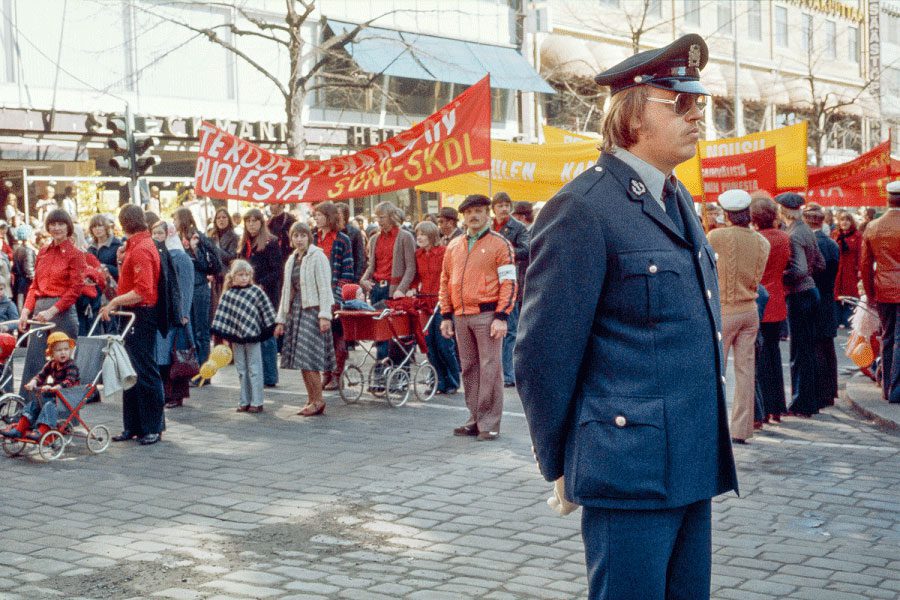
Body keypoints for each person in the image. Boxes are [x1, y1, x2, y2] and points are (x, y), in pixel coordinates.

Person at [515, 35, 738, 599]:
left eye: (698, 105)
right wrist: (561, 463)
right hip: (627, 470)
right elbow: (543, 351)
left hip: (689, 459)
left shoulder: (676, 198)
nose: (697, 117)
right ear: (634, 113)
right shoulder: (583, 208)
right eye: (680, 104)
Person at [439, 194, 516, 441]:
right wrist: (446, 315)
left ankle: (489, 423)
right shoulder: (454, 246)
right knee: (469, 368)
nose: (473, 216)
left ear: (487, 214)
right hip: (461, 316)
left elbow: (509, 282)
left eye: (479, 211)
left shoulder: (500, 244)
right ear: (463, 216)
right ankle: (474, 418)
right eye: (469, 212)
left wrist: (502, 315)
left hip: (487, 315)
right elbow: (445, 280)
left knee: (490, 368)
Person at [707, 190, 769, 444]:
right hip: (750, 310)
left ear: (727, 213)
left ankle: (712, 424)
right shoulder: (761, 242)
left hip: (724, 309)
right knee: (745, 371)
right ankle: (741, 429)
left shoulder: (716, 236)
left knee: (714, 369)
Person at [100, 204, 164, 446]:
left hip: (140, 313)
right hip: (133, 312)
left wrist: (115, 301)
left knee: (143, 369)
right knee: (130, 369)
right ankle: (135, 425)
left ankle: (151, 426)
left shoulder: (140, 249)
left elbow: (144, 291)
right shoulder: (138, 246)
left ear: (123, 223)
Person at [275, 222, 335, 417]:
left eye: (302, 235)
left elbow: (325, 287)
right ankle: (312, 398)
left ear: (309, 236)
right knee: (301, 359)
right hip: (296, 310)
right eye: (295, 236)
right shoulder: (292, 259)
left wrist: (325, 315)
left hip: (313, 309)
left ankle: (319, 400)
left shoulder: (318, 256)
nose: (299, 239)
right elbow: (286, 290)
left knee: (309, 358)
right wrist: (281, 319)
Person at [19, 209, 84, 388]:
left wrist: (52, 310)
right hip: (40, 311)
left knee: (64, 366)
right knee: (34, 361)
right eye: (53, 224)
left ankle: (65, 410)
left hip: (61, 311)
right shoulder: (43, 251)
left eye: (61, 224)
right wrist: (25, 311)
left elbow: (75, 289)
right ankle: (28, 409)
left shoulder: (75, 254)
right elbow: (35, 286)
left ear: (68, 226)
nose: (56, 228)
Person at [776, 192, 825, 417]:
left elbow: (800, 269)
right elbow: (820, 263)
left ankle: (801, 402)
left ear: (784, 210)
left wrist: (780, 275)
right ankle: (809, 401)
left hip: (800, 295)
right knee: (807, 349)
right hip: (810, 292)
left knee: (800, 351)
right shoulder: (805, 230)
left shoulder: (794, 233)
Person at [211, 260, 277, 414]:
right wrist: (225, 335)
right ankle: (244, 400)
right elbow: (223, 316)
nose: (244, 278)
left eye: (247, 275)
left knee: (255, 367)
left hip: (253, 335)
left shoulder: (256, 292)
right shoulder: (228, 295)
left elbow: (267, 310)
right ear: (233, 276)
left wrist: (268, 328)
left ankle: (257, 401)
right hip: (236, 337)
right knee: (241, 369)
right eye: (240, 275)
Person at [360, 201, 416, 379]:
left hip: (394, 292)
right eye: (377, 217)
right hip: (378, 288)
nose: (379, 221)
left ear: (392, 217)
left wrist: (401, 289)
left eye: (382, 217)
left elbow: (410, 267)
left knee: (396, 336)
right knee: (380, 335)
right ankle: (381, 374)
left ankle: (398, 375)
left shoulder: (405, 237)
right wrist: (364, 280)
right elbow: (371, 265)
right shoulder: (375, 238)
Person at [750, 195, 791, 423]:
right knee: (774, 354)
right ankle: (778, 407)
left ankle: (764, 408)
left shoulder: (756, 239)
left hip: (760, 300)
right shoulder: (784, 238)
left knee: (761, 359)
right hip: (778, 301)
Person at [860, 180, 900, 403]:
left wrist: (870, 294)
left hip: (883, 289)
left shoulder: (873, 227)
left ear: (887, 199)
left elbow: (865, 265)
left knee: (887, 337)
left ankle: (886, 387)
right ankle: (896, 388)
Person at [411, 221, 460, 395]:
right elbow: (415, 277)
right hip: (424, 302)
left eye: (423, 234)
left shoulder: (444, 252)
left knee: (444, 344)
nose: (419, 237)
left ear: (432, 235)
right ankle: (437, 380)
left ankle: (453, 380)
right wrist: (411, 289)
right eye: (418, 234)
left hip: (441, 302)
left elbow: (451, 275)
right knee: (429, 344)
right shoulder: (418, 255)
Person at [0, 332, 78, 441]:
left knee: (49, 405)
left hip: (69, 396)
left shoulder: (71, 365)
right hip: (56, 395)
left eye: (66, 349)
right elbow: (41, 375)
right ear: (51, 353)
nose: (63, 352)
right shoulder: (52, 363)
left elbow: (70, 380)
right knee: (34, 404)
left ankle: (42, 431)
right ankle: (19, 429)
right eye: (59, 350)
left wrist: (57, 387)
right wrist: (33, 382)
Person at [151, 221, 195, 409]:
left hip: (176, 317)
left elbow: (185, 287)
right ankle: (167, 393)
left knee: (176, 355)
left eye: (160, 233)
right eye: (154, 232)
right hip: (163, 314)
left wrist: (182, 313)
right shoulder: (161, 254)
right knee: (164, 356)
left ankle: (176, 394)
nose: (156, 236)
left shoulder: (180, 257)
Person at [312, 201, 354, 391]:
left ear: (328, 217)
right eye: (315, 215)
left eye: (320, 215)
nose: (317, 218)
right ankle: (325, 374)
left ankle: (337, 375)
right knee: (322, 336)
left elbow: (347, 271)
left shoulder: (342, 239)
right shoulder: (314, 238)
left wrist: (338, 296)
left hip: (334, 292)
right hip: (316, 293)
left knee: (337, 335)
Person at [802, 203, 840, 409]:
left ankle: (819, 392)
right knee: (827, 346)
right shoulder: (832, 244)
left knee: (815, 346)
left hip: (812, 298)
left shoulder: (809, 243)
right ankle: (830, 390)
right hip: (827, 298)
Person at [239, 208, 282, 387]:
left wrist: (261, 284)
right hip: (247, 294)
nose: (251, 224)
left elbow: (277, 270)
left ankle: (270, 375)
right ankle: (259, 374)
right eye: (248, 221)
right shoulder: (244, 244)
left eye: (255, 221)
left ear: (261, 222)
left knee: (266, 337)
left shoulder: (270, 242)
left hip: (265, 295)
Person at [491, 192, 530, 388]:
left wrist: (502, 252)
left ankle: (509, 373)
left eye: (507, 205)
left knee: (510, 330)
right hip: (489, 284)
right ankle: (495, 371)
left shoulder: (518, 227)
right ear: (494, 208)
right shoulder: (488, 227)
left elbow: (527, 249)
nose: (504, 208)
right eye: (500, 205)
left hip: (510, 282)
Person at [173, 207, 220, 368]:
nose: (174, 222)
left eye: (175, 219)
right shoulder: (177, 238)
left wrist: (194, 249)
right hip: (188, 288)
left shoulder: (196, 237)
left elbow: (209, 266)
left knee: (201, 330)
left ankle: (202, 368)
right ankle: (193, 367)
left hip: (199, 287)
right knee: (190, 329)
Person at [831, 211, 862, 328]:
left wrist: (859, 269)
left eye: (847, 220)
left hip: (851, 270)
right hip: (838, 270)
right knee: (837, 295)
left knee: (850, 295)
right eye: (842, 219)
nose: (844, 222)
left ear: (851, 222)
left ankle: (848, 319)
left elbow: (860, 253)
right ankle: (837, 319)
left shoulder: (857, 235)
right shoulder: (835, 234)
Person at [209, 207, 239, 320]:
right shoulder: (212, 236)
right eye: (218, 218)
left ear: (228, 219)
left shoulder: (234, 237)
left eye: (224, 217)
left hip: (226, 277)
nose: (221, 220)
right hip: (213, 277)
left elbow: (231, 256)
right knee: (214, 311)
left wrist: (215, 249)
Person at [335, 202, 366, 282]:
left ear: (345, 216)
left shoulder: (355, 232)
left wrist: (357, 279)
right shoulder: (332, 231)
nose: (335, 216)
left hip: (350, 275)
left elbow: (360, 257)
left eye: (338, 213)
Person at [87, 215, 122, 282]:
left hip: (113, 286)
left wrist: (105, 267)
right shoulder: (90, 247)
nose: (97, 229)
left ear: (106, 227)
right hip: (95, 287)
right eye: (94, 226)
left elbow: (122, 272)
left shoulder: (117, 245)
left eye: (100, 225)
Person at [11, 225, 35, 310]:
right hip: (26, 282)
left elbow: (14, 267)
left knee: (20, 303)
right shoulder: (28, 250)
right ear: (28, 236)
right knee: (26, 305)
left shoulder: (17, 249)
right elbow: (29, 269)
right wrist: (35, 278)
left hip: (19, 282)